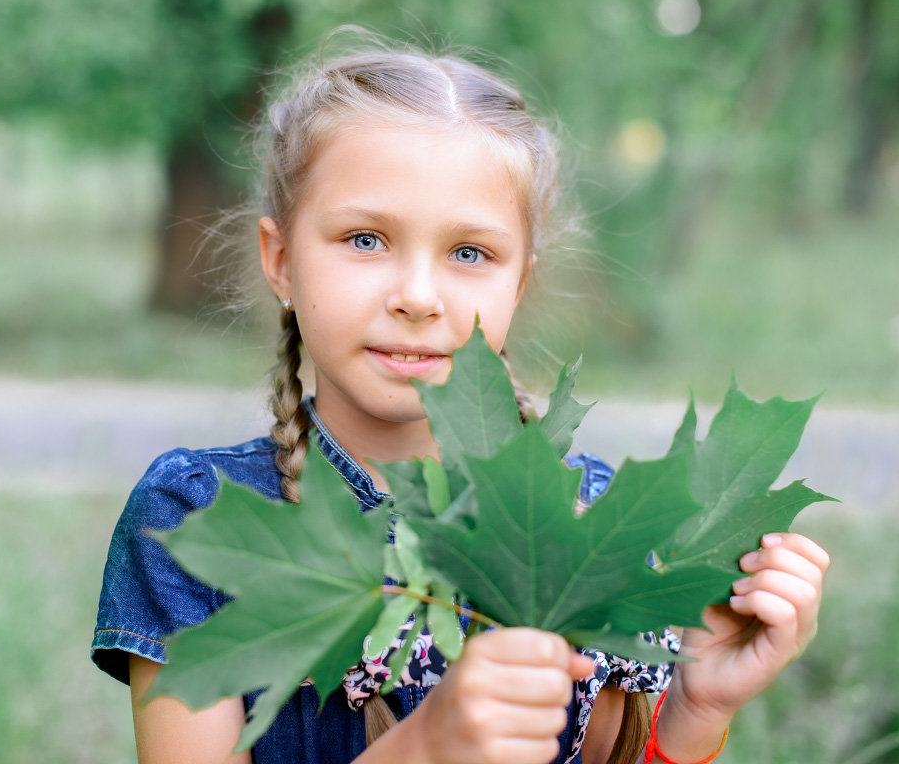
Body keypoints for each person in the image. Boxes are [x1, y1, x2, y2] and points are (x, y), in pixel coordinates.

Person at [91, 37, 830, 764]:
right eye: (364, 239)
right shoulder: (197, 517)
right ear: (281, 260)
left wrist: (696, 711)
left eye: (469, 253)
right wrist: (424, 751)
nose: (417, 297)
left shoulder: (595, 526)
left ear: (518, 282)